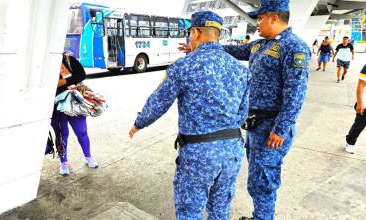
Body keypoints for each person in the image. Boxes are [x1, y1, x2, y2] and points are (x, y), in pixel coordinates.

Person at [179, 0, 311, 219]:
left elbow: (295, 93)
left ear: (274, 17)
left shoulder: (294, 47)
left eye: (260, 18)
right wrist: (204, 45)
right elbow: (235, 50)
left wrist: (281, 129)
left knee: (264, 180)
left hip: (272, 127)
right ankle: (259, 216)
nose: (257, 23)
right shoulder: (261, 45)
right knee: (256, 177)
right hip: (255, 125)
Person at [129, 11, 250, 220]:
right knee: (220, 210)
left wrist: (139, 123)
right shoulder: (240, 69)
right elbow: (243, 112)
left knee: (190, 212)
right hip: (232, 150)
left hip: (198, 153)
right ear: (217, 34)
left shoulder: (184, 66)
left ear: (195, 32)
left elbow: (159, 101)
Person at [52, 52, 99, 176]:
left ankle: (88, 156)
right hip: (55, 104)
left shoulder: (67, 58)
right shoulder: (44, 62)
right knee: (61, 134)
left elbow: (81, 75)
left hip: (73, 101)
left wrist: (62, 82)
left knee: (82, 131)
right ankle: (63, 162)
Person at [344, 64, 366, 154]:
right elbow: (361, 84)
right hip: (365, 104)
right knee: (359, 125)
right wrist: (360, 103)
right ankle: (350, 142)